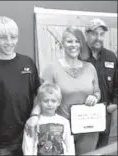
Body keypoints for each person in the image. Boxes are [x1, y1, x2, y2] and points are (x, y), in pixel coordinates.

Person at [25, 26, 101, 155]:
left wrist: (95, 97)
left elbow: (97, 92)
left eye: (77, 41)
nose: (74, 45)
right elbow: (40, 98)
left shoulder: (90, 68)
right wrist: (33, 116)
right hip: (59, 129)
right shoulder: (52, 68)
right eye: (69, 41)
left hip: (88, 128)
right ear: (62, 43)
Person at [0, 16, 40, 155]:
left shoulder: (27, 62)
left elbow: (39, 94)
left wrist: (35, 116)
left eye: (13, 37)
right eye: (3, 38)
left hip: (28, 136)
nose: (10, 42)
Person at [85, 18, 118, 147]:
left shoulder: (111, 56)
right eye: (94, 33)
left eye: (101, 34)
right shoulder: (80, 57)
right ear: (86, 34)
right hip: (85, 113)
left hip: (106, 113)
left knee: (103, 147)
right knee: (87, 149)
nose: (98, 38)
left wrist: (115, 103)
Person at [22, 82, 75, 155]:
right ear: (40, 102)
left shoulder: (64, 122)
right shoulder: (34, 122)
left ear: (58, 102)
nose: (49, 104)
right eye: (46, 101)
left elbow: (69, 145)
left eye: (53, 101)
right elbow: (28, 145)